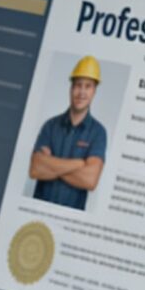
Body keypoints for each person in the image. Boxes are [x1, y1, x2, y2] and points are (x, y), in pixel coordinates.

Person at [28, 56, 108, 209]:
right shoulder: (50, 126)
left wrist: (50, 163)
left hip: (69, 221)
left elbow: (90, 180)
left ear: (94, 91)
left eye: (88, 86)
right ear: (71, 87)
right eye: (78, 85)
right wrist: (79, 164)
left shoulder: (98, 133)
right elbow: (35, 169)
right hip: (37, 211)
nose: (82, 92)